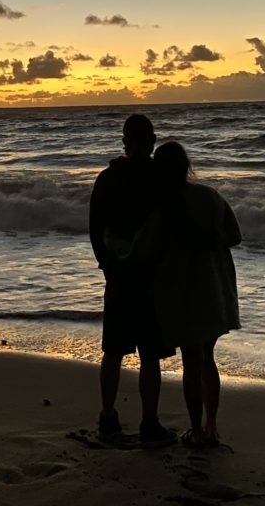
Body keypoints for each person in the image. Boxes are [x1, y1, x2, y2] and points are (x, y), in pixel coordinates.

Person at [132, 140, 242, 447]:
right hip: (215, 289)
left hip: (180, 292)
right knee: (208, 359)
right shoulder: (210, 196)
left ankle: (195, 428)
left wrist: (114, 247)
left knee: (191, 363)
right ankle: (211, 426)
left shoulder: (161, 209)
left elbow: (142, 252)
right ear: (187, 167)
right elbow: (235, 237)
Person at [88, 114, 176, 447]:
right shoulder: (160, 179)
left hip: (119, 275)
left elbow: (95, 229)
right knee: (150, 355)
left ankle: (108, 417)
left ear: (125, 142)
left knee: (113, 350)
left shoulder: (107, 178)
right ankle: (149, 423)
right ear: (152, 141)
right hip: (151, 277)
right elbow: (170, 228)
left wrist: (106, 264)